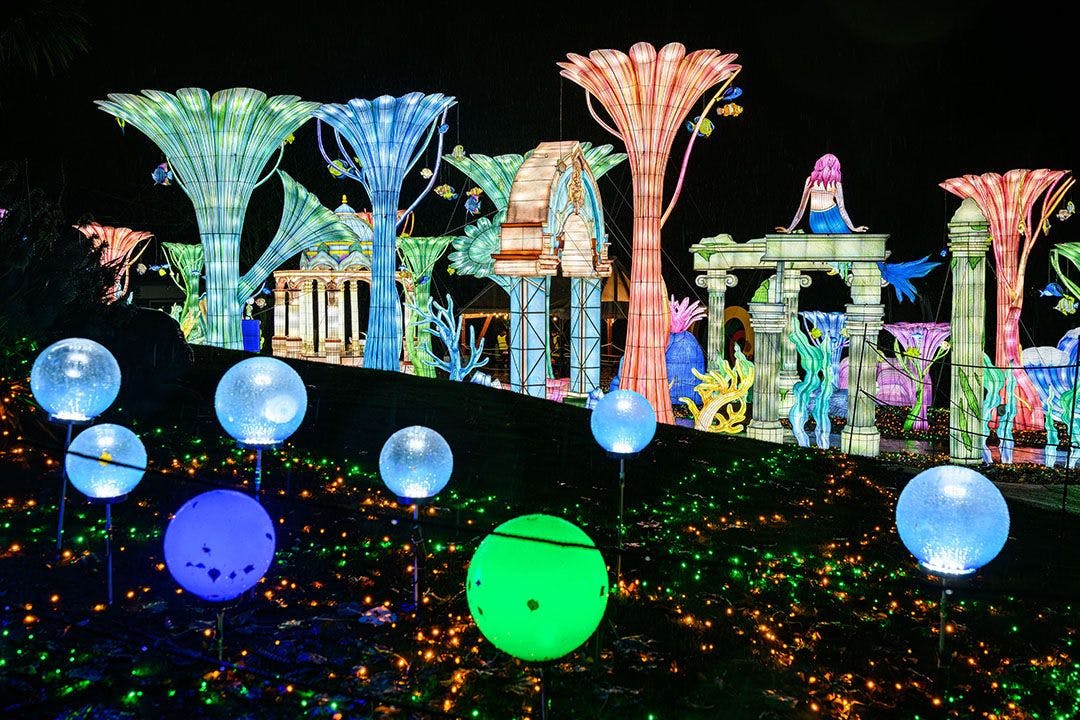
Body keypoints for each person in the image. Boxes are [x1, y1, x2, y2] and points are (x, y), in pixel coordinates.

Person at [776, 153, 868, 234]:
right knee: (846, 244)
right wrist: (853, 228)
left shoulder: (810, 181)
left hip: (815, 220)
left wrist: (789, 229)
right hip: (833, 217)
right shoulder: (836, 184)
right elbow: (842, 209)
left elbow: (801, 208)